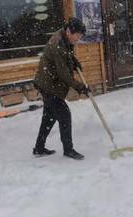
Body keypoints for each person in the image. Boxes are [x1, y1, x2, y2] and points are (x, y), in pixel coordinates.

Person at [33, 18, 91, 160]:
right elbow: (63, 74)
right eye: (77, 35)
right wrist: (80, 87)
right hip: (49, 86)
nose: (78, 39)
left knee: (49, 117)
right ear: (69, 31)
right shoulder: (57, 44)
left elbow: (67, 55)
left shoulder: (64, 37)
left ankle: (39, 148)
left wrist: (73, 60)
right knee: (64, 115)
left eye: (81, 36)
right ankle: (68, 150)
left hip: (48, 83)